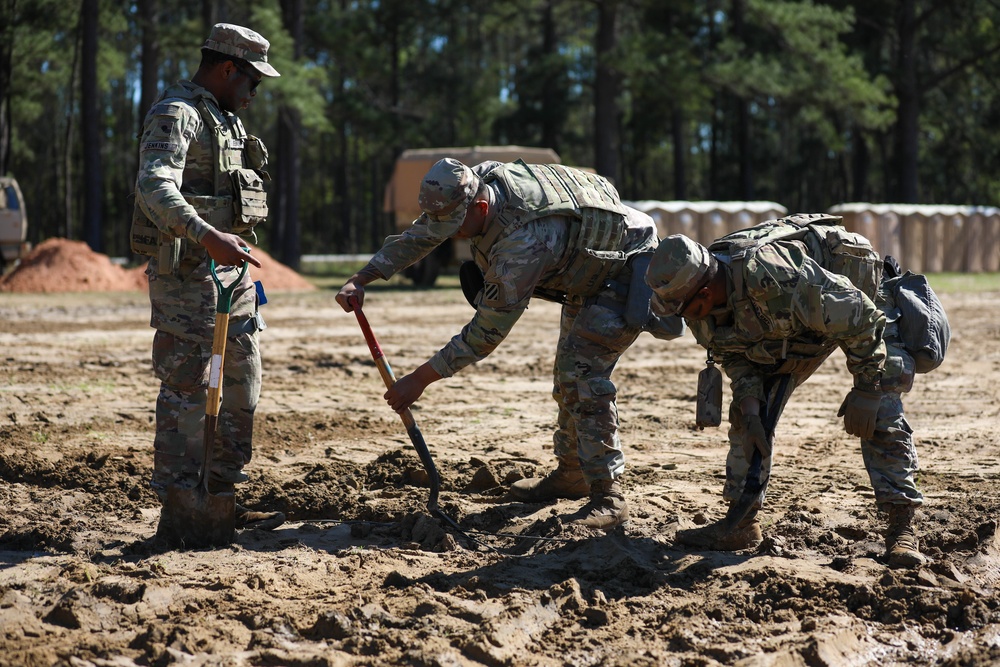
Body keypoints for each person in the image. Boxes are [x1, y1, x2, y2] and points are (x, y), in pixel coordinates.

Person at [337, 158, 680, 530]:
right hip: (587, 267)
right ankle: (572, 475)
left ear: (481, 207)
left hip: (625, 267)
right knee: (568, 376)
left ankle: (608, 496)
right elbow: (425, 232)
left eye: (456, 227)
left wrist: (418, 379)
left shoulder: (523, 245)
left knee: (582, 374)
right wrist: (363, 277)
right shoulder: (478, 181)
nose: (452, 236)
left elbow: (487, 332)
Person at [645, 214, 927, 568]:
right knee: (748, 419)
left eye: (683, 309)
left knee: (882, 403)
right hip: (787, 324)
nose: (685, 319)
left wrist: (867, 387)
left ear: (703, 291)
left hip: (858, 301)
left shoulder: (774, 276)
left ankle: (902, 529)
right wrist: (750, 409)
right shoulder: (701, 310)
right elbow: (735, 357)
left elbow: (862, 318)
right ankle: (742, 522)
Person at [131, 23, 285, 543]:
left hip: (232, 280)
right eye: (252, 80)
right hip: (186, 282)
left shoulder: (227, 119)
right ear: (226, 69)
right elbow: (153, 185)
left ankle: (219, 498)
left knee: (241, 383)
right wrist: (204, 233)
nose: (255, 92)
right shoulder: (178, 113)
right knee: (189, 390)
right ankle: (179, 514)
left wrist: (227, 245)